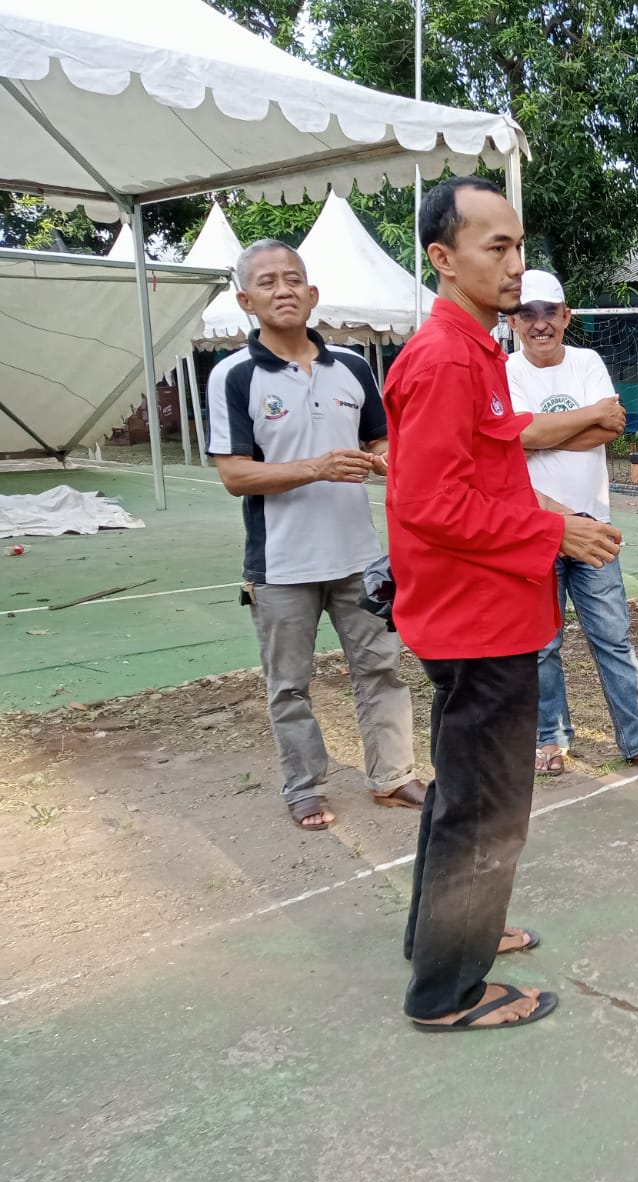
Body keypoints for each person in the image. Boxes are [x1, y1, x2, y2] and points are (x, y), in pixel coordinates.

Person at [384, 176, 622, 1033]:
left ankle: (446, 934)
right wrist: (550, 535)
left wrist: (552, 518)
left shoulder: (478, 349)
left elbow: (488, 475)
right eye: (497, 247)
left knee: (464, 794)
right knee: (487, 806)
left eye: (518, 245)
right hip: (474, 617)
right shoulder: (448, 358)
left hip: (486, 608)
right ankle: (449, 990)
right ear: (443, 259)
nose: (516, 265)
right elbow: (430, 504)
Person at [207, 239, 423, 831]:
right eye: (269, 282)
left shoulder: (352, 366)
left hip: (358, 556)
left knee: (381, 668)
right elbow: (234, 474)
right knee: (290, 686)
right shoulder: (234, 376)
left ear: (313, 294)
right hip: (280, 565)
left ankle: (394, 775)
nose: (284, 290)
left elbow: (381, 440)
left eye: (294, 279)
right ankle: (304, 786)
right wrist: (317, 468)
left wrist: (381, 459)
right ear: (246, 299)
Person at [504, 269, 638, 780]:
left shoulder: (587, 361)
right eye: (528, 314)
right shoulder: (506, 371)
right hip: (537, 524)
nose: (540, 324)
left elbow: (608, 428)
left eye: (550, 312)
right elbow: (513, 441)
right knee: (543, 643)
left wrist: (536, 434)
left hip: (595, 524)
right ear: (514, 321)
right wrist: (567, 423)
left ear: (566, 316)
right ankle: (550, 737)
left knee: (613, 638)